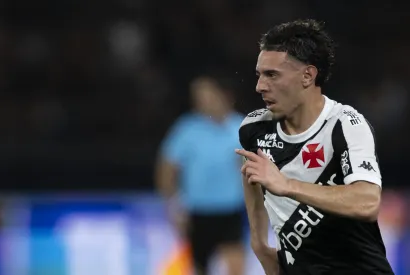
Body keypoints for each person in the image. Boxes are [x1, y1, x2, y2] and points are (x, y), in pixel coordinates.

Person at [235, 19, 394, 275]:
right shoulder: (254, 127)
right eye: (259, 74)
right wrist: (259, 242)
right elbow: (252, 173)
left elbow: (367, 202)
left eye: (272, 75)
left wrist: (287, 186)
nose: (260, 86)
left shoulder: (344, 124)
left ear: (308, 76)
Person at [156, 72, 246, 275]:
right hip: (198, 212)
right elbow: (167, 169)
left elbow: (253, 173)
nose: (202, 100)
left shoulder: (241, 128)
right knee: (199, 268)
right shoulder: (186, 129)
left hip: (230, 210)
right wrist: (172, 205)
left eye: (207, 94)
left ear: (224, 95)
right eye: (198, 96)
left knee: (236, 268)